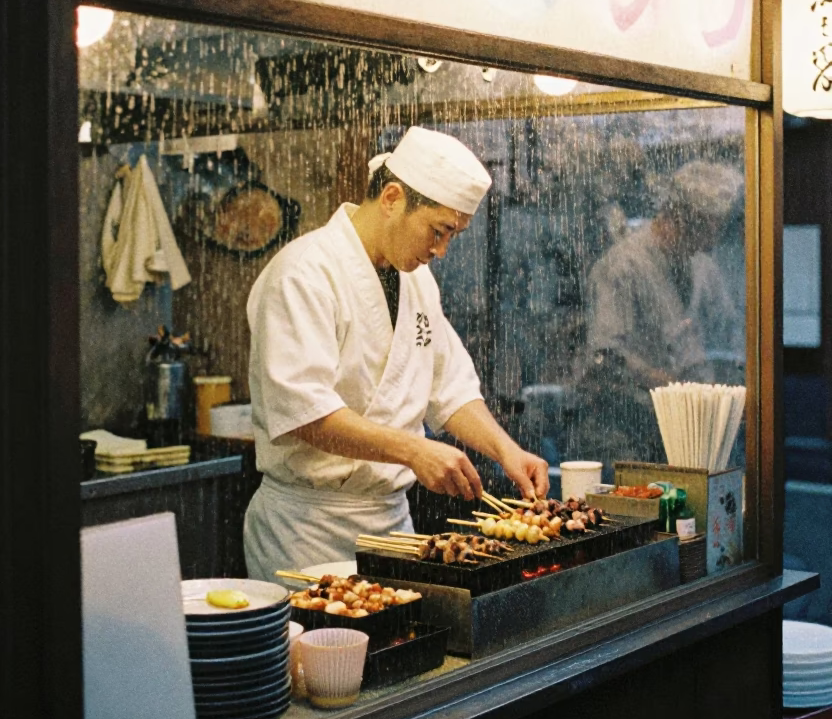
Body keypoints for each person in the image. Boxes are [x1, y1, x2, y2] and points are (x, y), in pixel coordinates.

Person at [244, 126, 549, 577]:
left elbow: (449, 389)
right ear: (391, 198)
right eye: (439, 230)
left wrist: (506, 450)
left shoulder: (416, 281)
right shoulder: (302, 274)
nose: (442, 250)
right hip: (306, 529)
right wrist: (414, 452)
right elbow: (305, 412)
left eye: (454, 236)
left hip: (392, 526)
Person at [574, 160, 743, 467]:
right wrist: (669, 385)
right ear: (680, 218)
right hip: (626, 427)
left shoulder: (702, 266)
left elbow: (729, 336)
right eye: (708, 230)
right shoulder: (622, 266)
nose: (712, 243)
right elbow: (606, 354)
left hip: (688, 428)